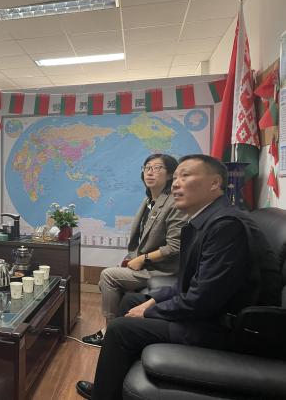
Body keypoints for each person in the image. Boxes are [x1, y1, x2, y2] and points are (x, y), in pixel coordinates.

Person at [76, 154, 279, 400]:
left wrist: (150, 311)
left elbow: (201, 301)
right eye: (176, 178)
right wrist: (154, 300)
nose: (176, 184)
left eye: (186, 176)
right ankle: (112, 386)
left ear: (215, 183)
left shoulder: (226, 226)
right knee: (132, 301)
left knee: (120, 329)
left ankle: (105, 395)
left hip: (228, 328)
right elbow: (191, 282)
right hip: (212, 314)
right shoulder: (208, 220)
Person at [82, 154, 187, 347]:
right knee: (108, 280)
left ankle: (110, 331)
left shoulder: (173, 203)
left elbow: (175, 247)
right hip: (147, 264)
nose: (150, 172)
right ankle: (117, 327)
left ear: (170, 174)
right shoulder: (149, 200)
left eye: (157, 168)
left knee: (108, 276)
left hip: (163, 269)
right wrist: (133, 258)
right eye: (147, 167)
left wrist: (142, 259)